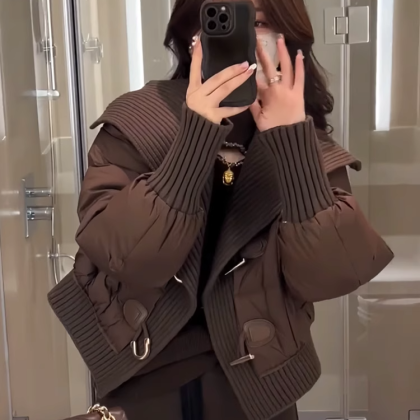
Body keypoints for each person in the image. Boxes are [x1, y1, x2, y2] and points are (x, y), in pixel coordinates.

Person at [48, 0, 393, 419]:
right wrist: (195, 137)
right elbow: (128, 259)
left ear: (287, 41)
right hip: (144, 372)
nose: (241, 37)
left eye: (258, 22)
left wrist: (293, 143)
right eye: (220, 19)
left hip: (258, 379)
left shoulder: (309, 146)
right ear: (192, 37)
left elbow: (329, 275)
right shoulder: (136, 121)